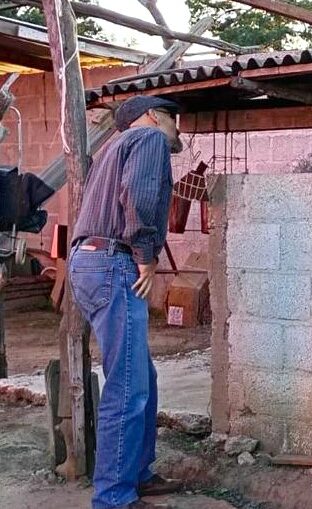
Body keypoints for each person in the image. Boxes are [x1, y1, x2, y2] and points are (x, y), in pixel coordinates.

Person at [69, 95, 185, 509]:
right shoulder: (148, 140)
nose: (177, 128)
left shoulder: (112, 148)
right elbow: (139, 195)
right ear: (152, 116)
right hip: (114, 262)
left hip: (89, 261)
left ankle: (136, 473)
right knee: (128, 385)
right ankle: (114, 497)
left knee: (141, 377)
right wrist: (145, 256)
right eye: (172, 117)